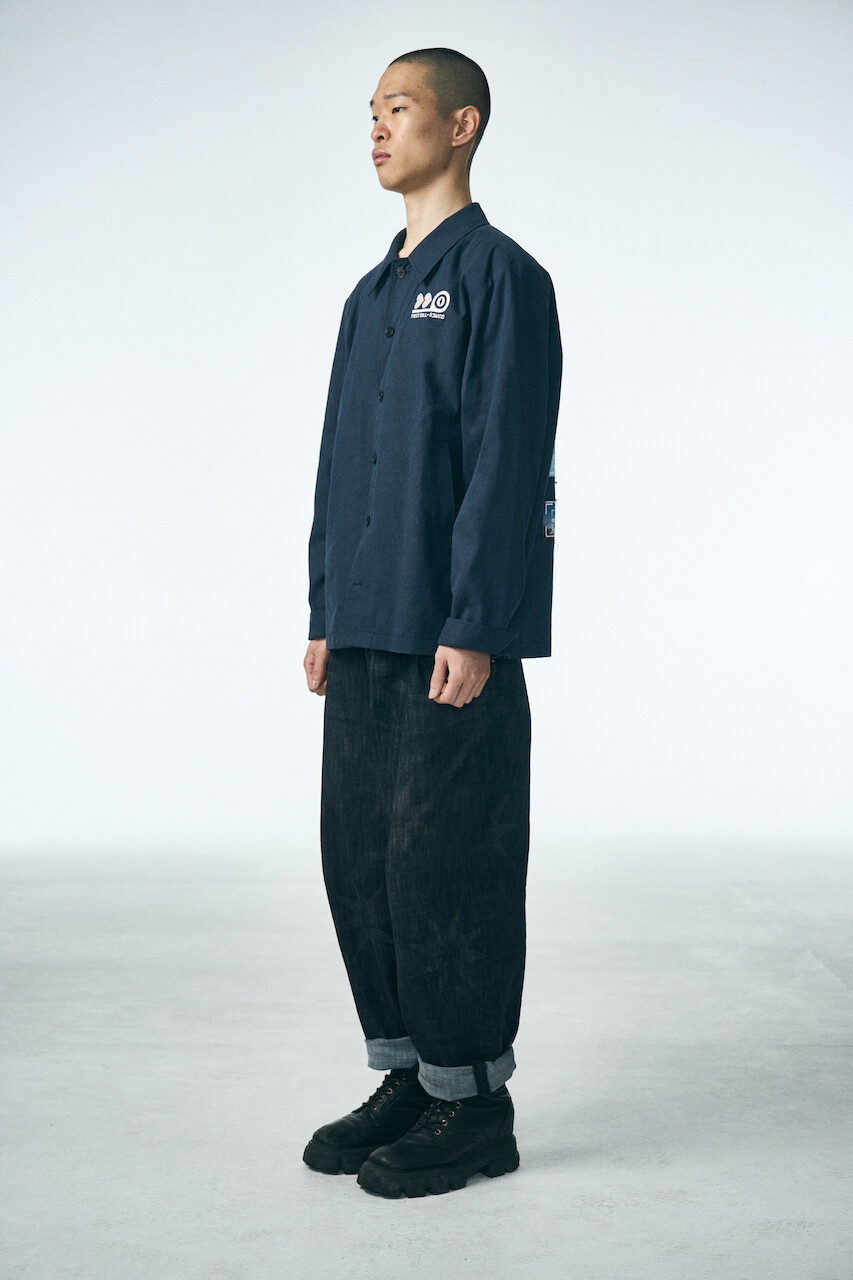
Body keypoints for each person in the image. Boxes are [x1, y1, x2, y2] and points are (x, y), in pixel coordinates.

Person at [302, 47, 562, 1199]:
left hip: (450, 633)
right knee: (360, 857)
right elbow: (338, 464)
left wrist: (478, 621)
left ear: (460, 125)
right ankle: (408, 1073)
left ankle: (473, 1102)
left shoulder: (502, 278)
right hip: (364, 624)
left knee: (443, 860)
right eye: (369, 111)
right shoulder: (367, 297)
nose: (375, 127)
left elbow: (507, 463)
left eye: (396, 107)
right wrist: (324, 606)